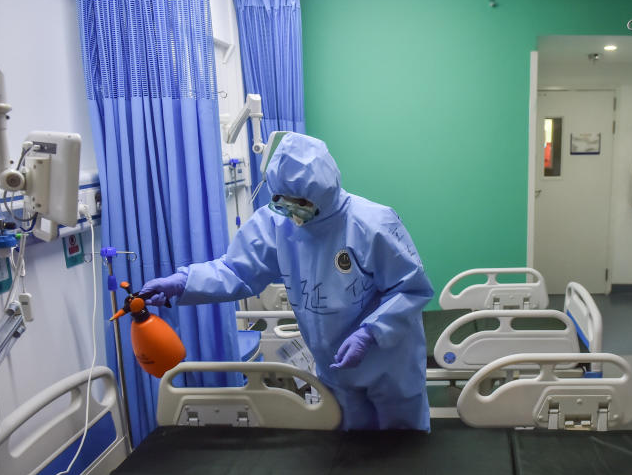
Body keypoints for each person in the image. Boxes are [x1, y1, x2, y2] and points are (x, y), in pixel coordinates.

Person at [141, 133, 434, 431]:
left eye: (303, 202)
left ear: (326, 189)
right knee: (349, 452)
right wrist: (184, 281)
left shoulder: (372, 223)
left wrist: (369, 333)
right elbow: (236, 270)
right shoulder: (275, 224)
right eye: (284, 200)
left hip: (388, 360)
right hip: (334, 366)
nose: (294, 211)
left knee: (403, 453)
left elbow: (410, 288)